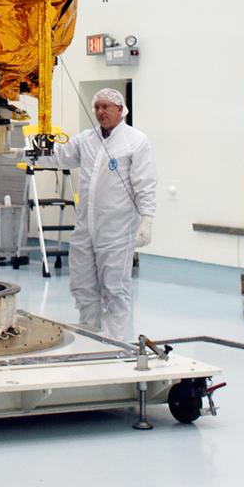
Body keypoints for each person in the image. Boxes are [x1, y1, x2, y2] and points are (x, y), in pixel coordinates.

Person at [53, 87, 156, 341]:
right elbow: (61, 157)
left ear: (120, 111)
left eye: (106, 107)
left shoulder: (136, 141)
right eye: (97, 107)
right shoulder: (86, 139)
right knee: (82, 284)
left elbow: (145, 182)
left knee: (115, 287)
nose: (100, 112)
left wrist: (147, 219)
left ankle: (115, 342)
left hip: (117, 229)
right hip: (85, 227)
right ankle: (89, 333)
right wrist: (33, 151)